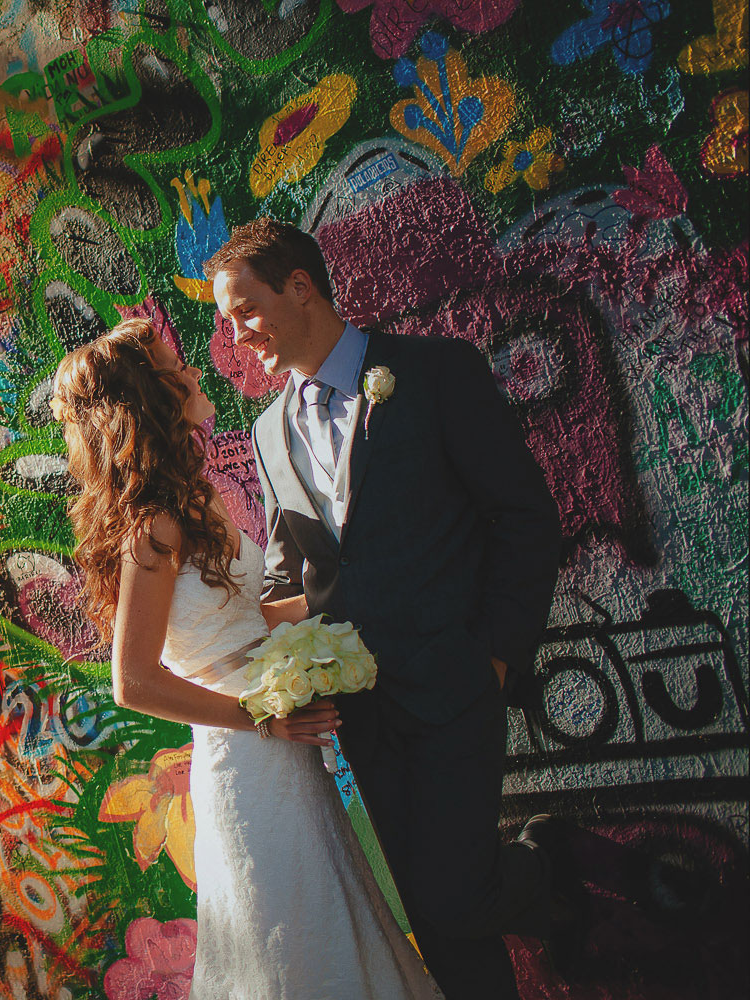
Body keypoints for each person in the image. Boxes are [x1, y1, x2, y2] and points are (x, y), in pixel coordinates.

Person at [209, 217, 577, 1000]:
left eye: (244, 310)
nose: (236, 335)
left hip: (457, 682)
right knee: (439, 928)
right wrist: (264, 656)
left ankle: (550, 864)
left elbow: (524, 517)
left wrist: (498, 655)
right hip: (363, 711)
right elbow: (288, 569)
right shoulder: (268, 432)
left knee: (457, 896)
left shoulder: (436, 371)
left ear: (300, 286)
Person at [51, 318, 438, 998]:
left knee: (327, 920)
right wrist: (259, 715)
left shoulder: (192, 505)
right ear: (148, 398)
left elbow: (255, 620)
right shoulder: (154, 529)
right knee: (292, 946)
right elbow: (133, 682)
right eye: (176, 368)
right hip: (248, 758)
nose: (194, 373)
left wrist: (355, 592)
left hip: (282, 746)